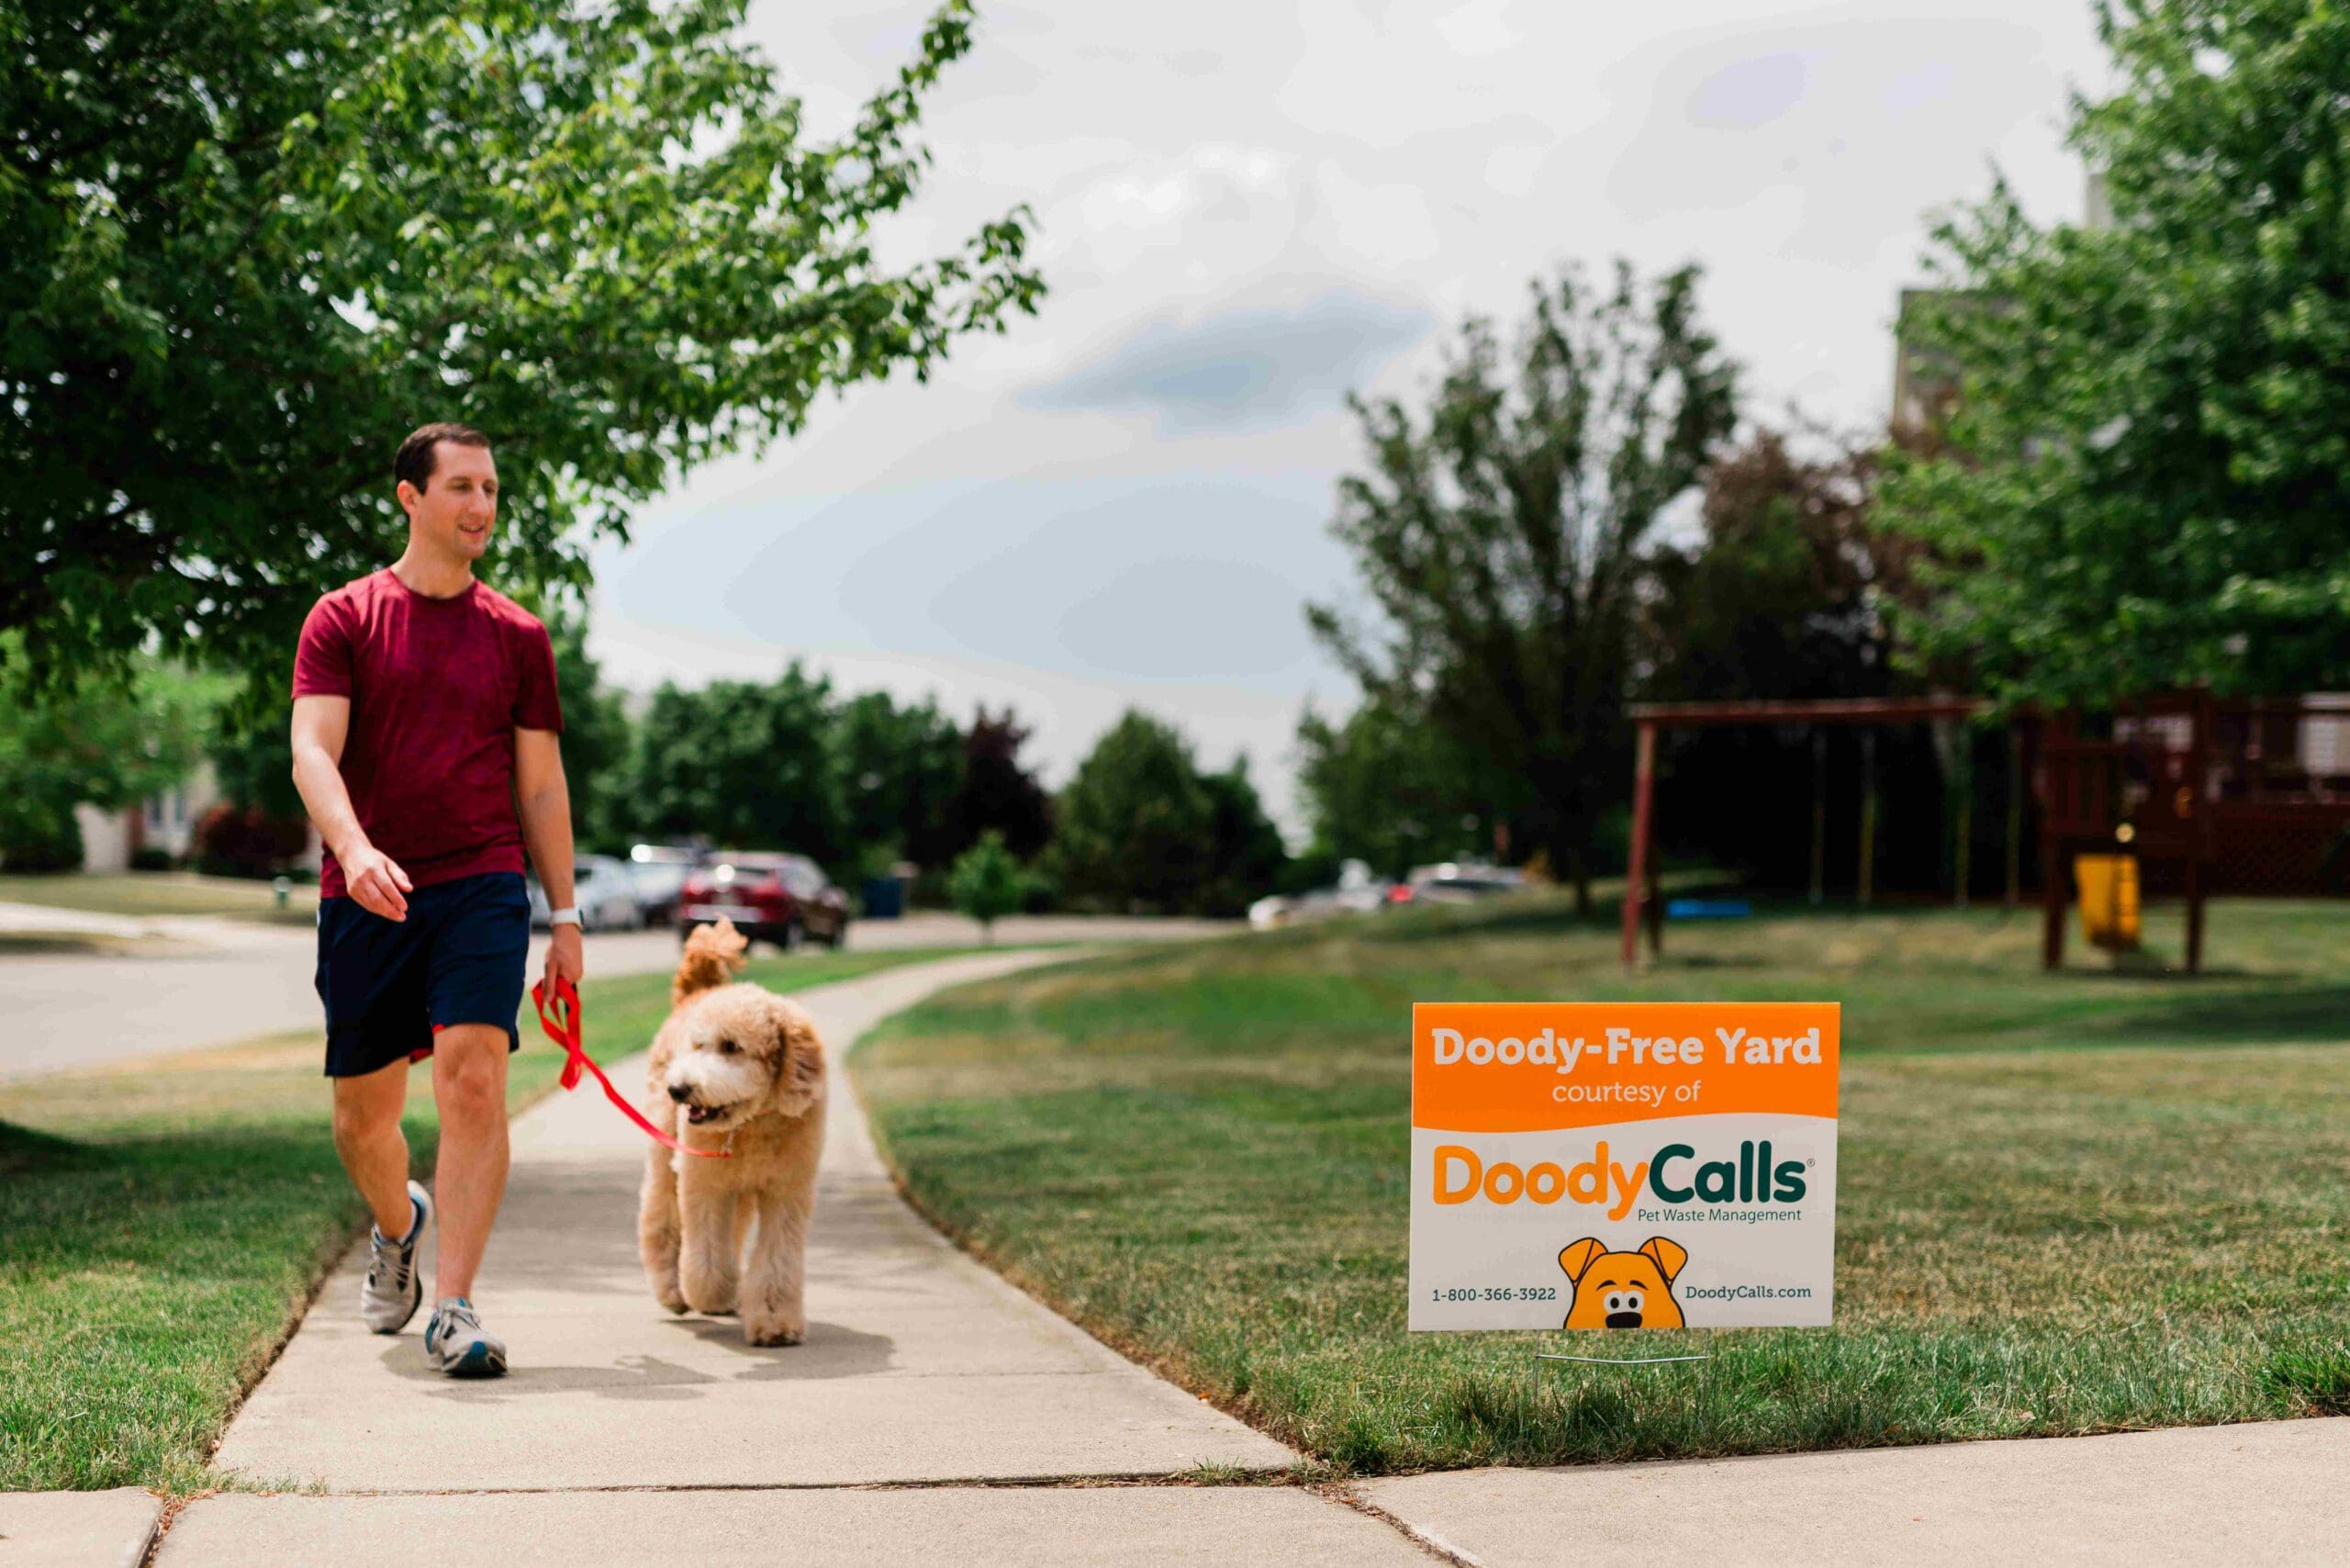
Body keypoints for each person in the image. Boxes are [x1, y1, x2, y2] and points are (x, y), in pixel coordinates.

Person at [288, 422, 584, 1378]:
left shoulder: (518, 636)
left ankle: (453, 1306)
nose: (482, 507)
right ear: (410, 496)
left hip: (482, 882)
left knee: (473, 1076)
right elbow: (311, 753)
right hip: (365, 888)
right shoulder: (343, 617)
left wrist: (567, 914)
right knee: (362, 1120)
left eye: (492, 489)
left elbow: (539, 786)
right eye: (462, 486)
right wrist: (353, 844)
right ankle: (399, 1223)